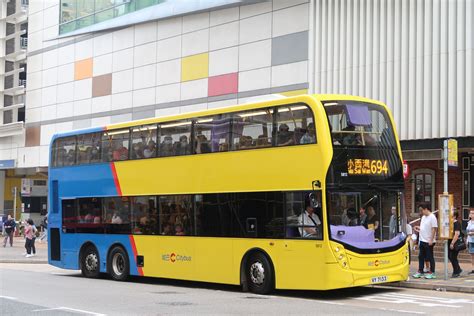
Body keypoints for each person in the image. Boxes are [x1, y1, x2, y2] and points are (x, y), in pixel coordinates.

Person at [413, 203, 438, 279]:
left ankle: (432, 272)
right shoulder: (423, 217)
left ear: (426, 209)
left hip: (428, 241)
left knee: (430, 257)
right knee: (421, 256)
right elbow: (423, 227)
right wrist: (418, 228)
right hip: (422, 239)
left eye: (422, 210)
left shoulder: (432, 217)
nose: (421, 212)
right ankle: (420, 271)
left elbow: (434, 229)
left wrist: (431, 239)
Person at [448, 211, 463, 277]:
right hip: (450, 241)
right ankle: (457, 269)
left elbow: (457, 234)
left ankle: (456, 271)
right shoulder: (451, 223)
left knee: (453, 256)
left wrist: (452, 243)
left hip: (454, 242)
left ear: (454, 216)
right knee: (450, 256)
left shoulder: (457, 223)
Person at [465, 209, 474, 275]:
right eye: (470, 213)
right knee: (472, 256)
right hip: (470, 241)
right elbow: (467, 232)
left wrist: (472, 233)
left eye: (473, 213)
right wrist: (467, 240)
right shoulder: (469, 222)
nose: (471, 214)